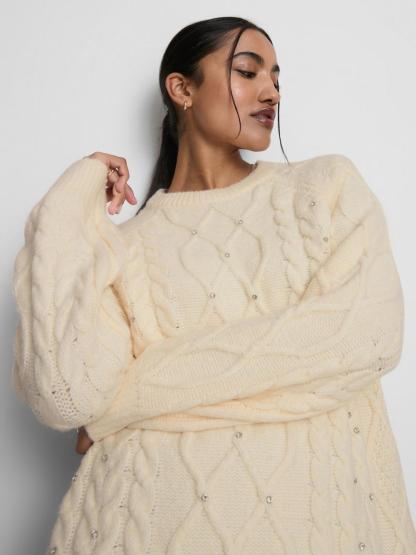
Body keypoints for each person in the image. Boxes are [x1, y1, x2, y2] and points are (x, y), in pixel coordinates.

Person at [11, 16, 416, 555]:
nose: (271, 91)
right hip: (139, 530)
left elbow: (366, 335)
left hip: (319, 528)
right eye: (248, 72)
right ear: (181, 89)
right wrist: (70, 204)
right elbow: (67, 396)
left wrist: (124, 406)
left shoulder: (322, 190)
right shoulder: (125, 249)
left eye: (276, 78)